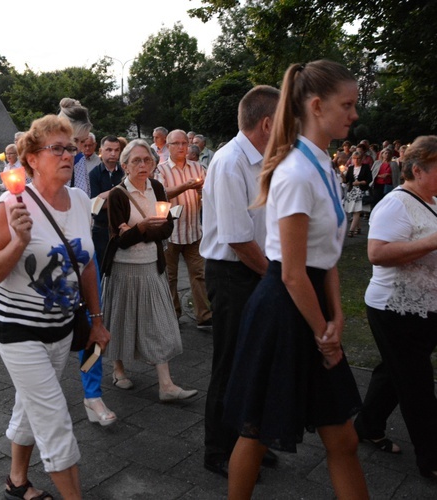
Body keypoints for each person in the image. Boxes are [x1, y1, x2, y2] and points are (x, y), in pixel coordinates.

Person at [223, 60, 368, 499]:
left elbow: (326, 255)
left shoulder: (322, 165)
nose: (355, 114)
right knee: (257, 431)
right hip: (287, 313)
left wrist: (337, 314)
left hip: (311, 305)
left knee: (343, 438)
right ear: (318, 105)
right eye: (348, 104)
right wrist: (324, 332)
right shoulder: (296, 172)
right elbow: (290, 272)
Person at [0, 115, 110, 499]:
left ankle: (16, 481)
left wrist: (96, 320)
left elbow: (85, 263)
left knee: (30, 403)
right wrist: (18, 242)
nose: (68, 154)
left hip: (61, 326)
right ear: (32, 158)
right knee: (53, 416)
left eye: (71, 148)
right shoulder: (10, 204)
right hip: (16, 327)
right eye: (58, 148)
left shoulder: (81, 201)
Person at [199, 85, 280, 478]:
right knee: (230, 362)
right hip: (234, 273)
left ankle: (250, 440)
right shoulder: (230, 161)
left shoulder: (264, 159)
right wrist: (275, 276)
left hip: (256, 267)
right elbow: (237, 236)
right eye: (283, 122)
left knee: (257, 362)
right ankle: (219, 448)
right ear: (267, 123)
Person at [354, 135, 437, 480]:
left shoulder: (431, 200)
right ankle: (431, 458)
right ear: (417, 170)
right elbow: (377, 254)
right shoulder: (396, 204)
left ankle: (367, 424)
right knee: (417, 382)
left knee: (394, 371)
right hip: (395, 308)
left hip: (424, 306)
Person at [103, 139, 197, 402]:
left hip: (151, 265)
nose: (143, 165)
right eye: (136, 161)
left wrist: (138, 230)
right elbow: (119, 239)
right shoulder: (118, 194)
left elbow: (167, 228)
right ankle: (118, 369)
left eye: (147, 160)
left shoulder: (157, 187)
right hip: (124, 268)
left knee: (158, 322)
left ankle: (166, 385)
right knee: (121, 319)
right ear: (125, 165)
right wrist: (143, 228)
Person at [59, 97, 116, 427]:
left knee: (95, 322)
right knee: (52, 333)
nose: (83, 147)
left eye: (84, 142)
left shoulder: (83, 162)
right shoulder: (46, 160)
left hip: (86, 248)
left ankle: (92, 394)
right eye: (79, 141)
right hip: (52, 257)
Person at [156, 129, 212, 329]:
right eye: (176, 144)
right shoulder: (161, 170)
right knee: (170, 276)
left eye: (183, 144)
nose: (181, 147)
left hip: (193, 229)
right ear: (168, 146)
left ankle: (204, 315)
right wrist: (186, 186)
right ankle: (173, 314)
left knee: (199, 273)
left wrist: (202, 191)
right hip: (171, 232)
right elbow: (161, 194)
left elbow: (209, 193)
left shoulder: (198, 167)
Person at [89, 135, 125, 271]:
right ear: (101, 151)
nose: (113, 153)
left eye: (116, 150)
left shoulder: (124, 172)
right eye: (109, 150)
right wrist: (119, 193)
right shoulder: (94, 174)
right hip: (101, 229)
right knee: (103, 267)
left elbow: (129, 198)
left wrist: (106, 196)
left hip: (121, 228)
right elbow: (95, 205)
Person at [58, 97, 91, 196]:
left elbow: (84, 195)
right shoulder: (38, 159)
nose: (79, 149)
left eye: (83, 142)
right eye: (75, 140)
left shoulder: (79, 158)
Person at [343, 151, 372, 237]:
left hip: (361, 191)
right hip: (352, 192)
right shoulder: (351, 168)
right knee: (353, 210)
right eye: (355, 158)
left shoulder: (365, 167)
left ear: (361, 159)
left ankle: (351, 230)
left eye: (358, 158)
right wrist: (342, 175)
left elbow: (369, 179)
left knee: (357, 211)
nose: (356, 160)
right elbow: (347, 180)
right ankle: (358, 228)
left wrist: (359, 182)